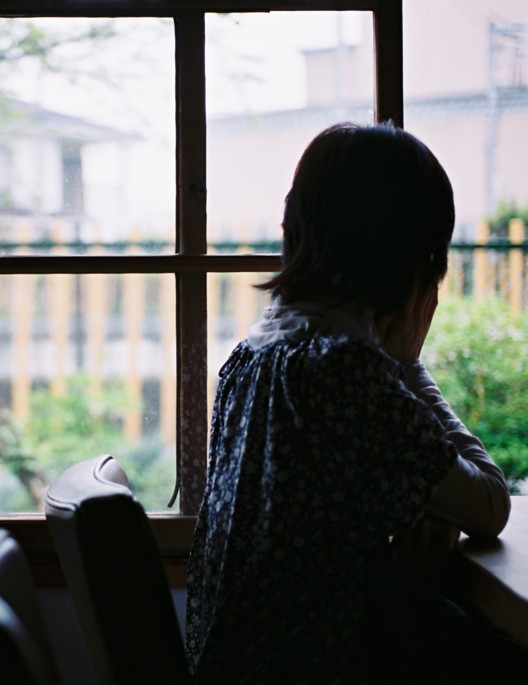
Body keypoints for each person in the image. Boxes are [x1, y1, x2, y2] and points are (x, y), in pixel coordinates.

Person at [183, 122, 513, 683]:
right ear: (410, 256)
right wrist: (406, 358)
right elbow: (488, 503)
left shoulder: (250, 357)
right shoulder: (343, 373)